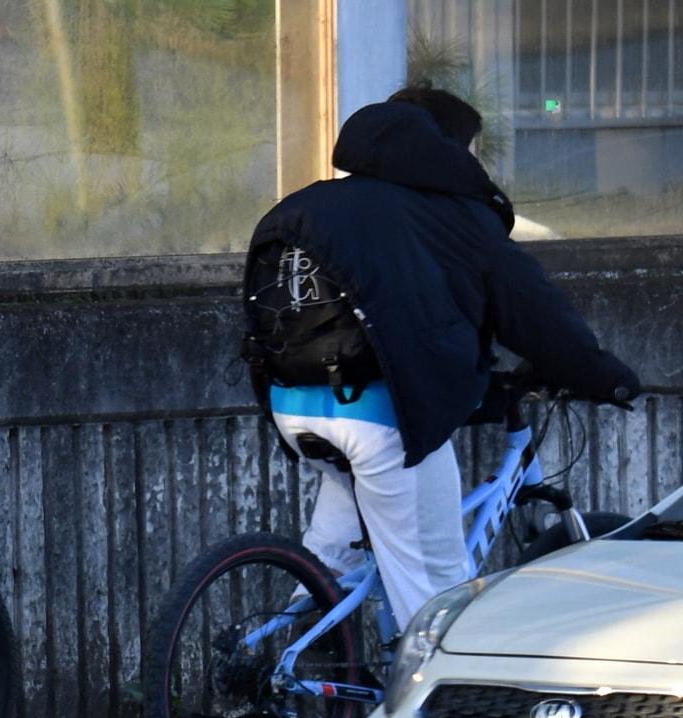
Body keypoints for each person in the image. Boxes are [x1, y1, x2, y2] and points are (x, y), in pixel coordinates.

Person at [241, 81, 639, 631]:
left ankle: (272, 665)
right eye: (471, 147)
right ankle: (423, 710)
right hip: (381, 418)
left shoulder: (318, 204)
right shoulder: (452, 215)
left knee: (332, 562)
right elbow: (533, 313)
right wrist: (605, 378)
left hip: (294, 405)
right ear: (445, 145)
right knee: (436, 589)